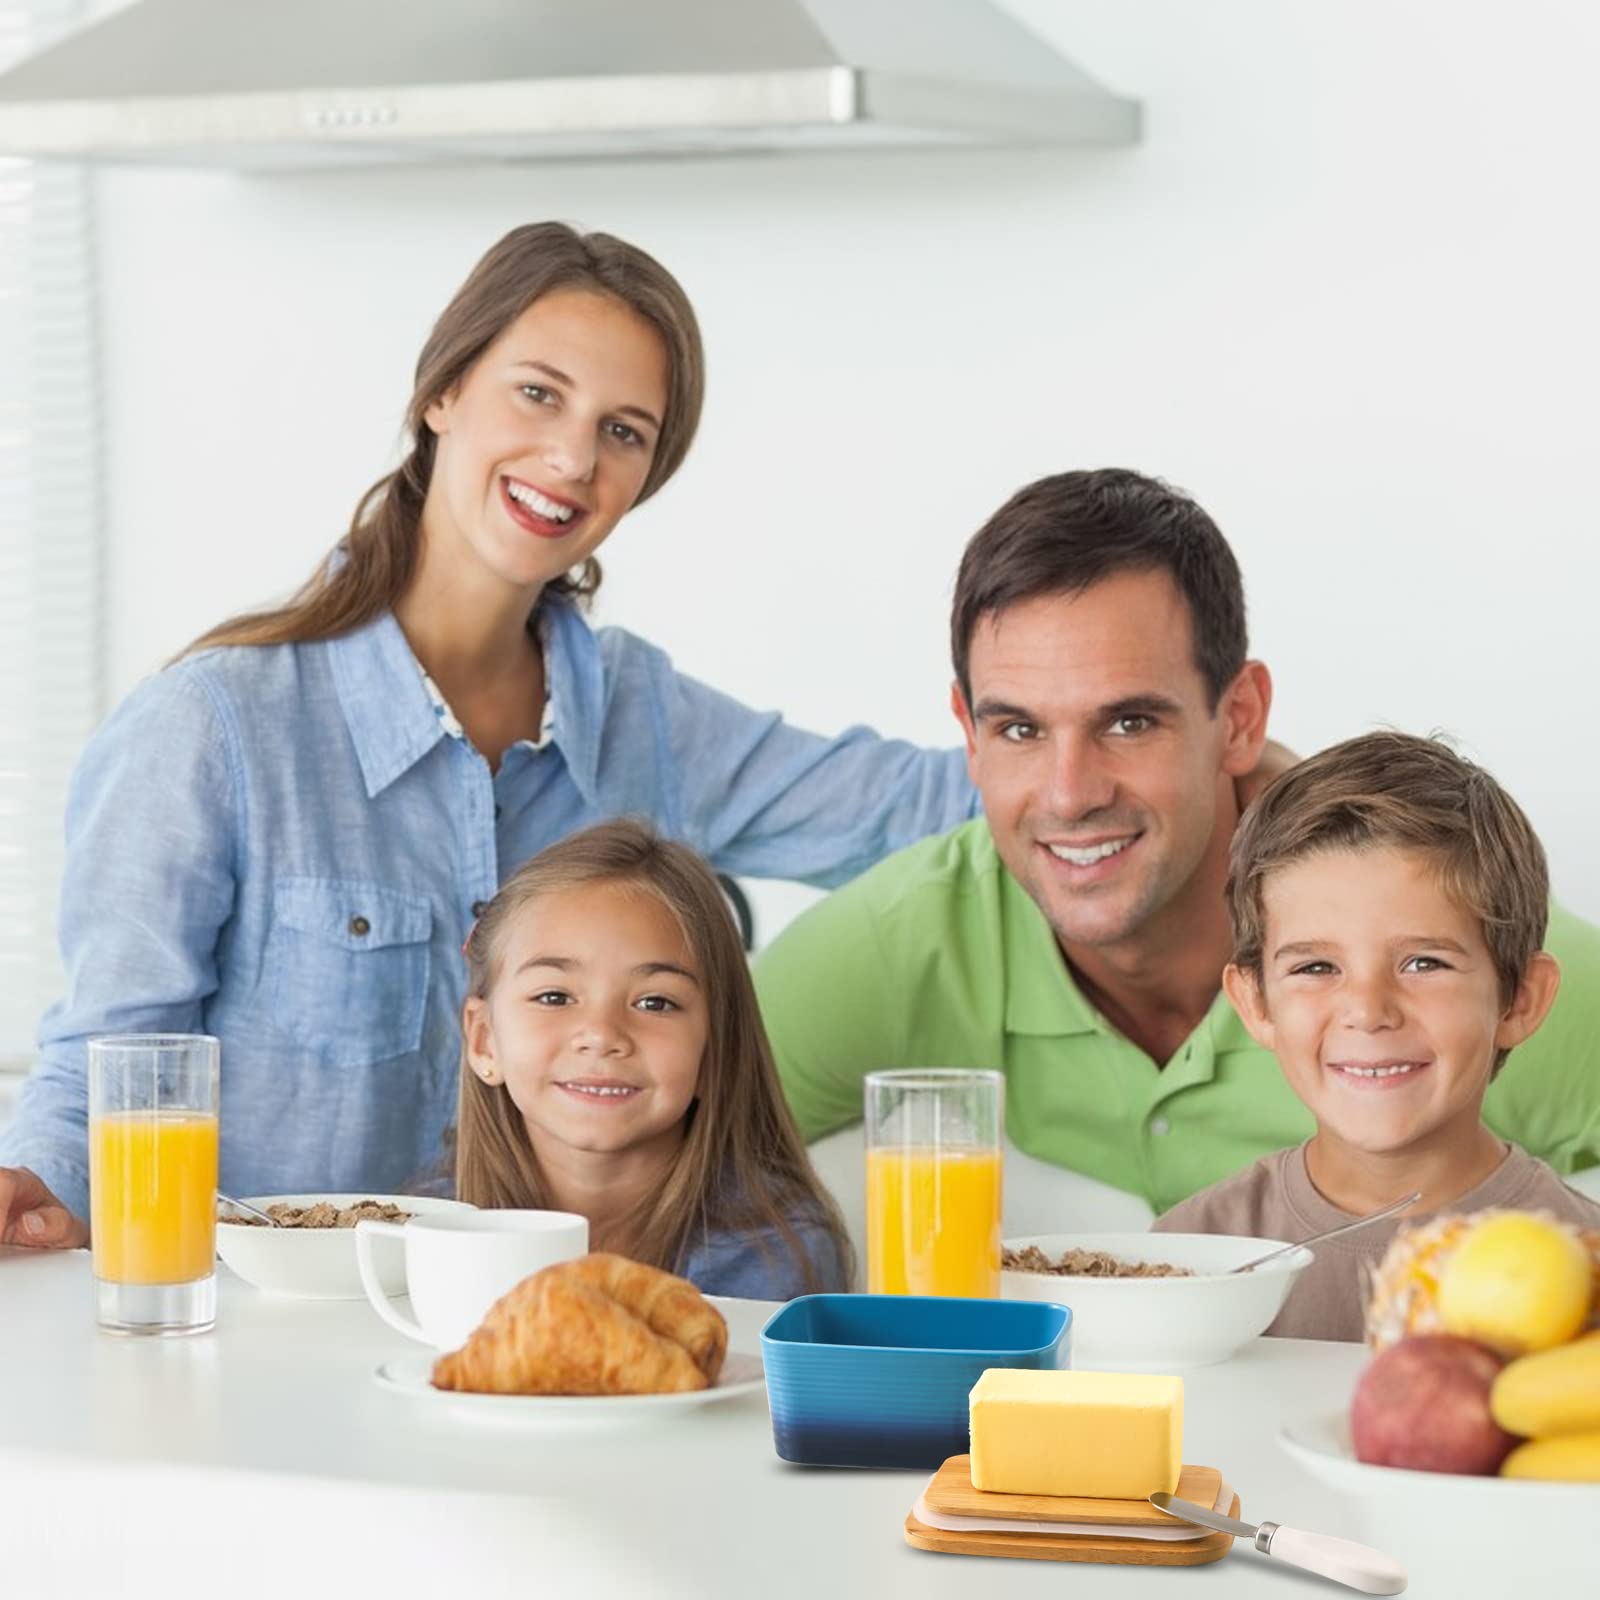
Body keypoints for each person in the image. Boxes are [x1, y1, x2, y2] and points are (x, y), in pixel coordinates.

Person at [0, 221, 981, 1249]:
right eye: (538, 392)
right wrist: (47, 1189)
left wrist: (1120, 763)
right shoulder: (212, 728)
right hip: (266, 1342)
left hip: (536, 1356)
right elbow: (113, 1061)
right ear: (443, 392)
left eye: (623, 431)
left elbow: (925, 806)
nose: (570, 458)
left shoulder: (644, 717)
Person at [755, 469, 1600, 1214]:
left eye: (1128, 722)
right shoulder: (897, 947)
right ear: (968, 737)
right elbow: (654, 1139)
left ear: (1237, 720)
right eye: (1018, 729)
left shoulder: (1460, 956)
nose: (1069, 793)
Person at [1153, 732, 1600, 1341]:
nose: (1367, 1011)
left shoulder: (1586, 1271)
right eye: (1316, 968)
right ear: (1255, 1004)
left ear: (1520, 998)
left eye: (1424, 963)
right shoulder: (1182, 1261)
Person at [454, 819, 850, 1298]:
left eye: (655, 1002)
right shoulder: (417, 1235)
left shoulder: (774, 1254)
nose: (601, 1035)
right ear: (483, 1041)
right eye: (555, 997)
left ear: (715, 1051)